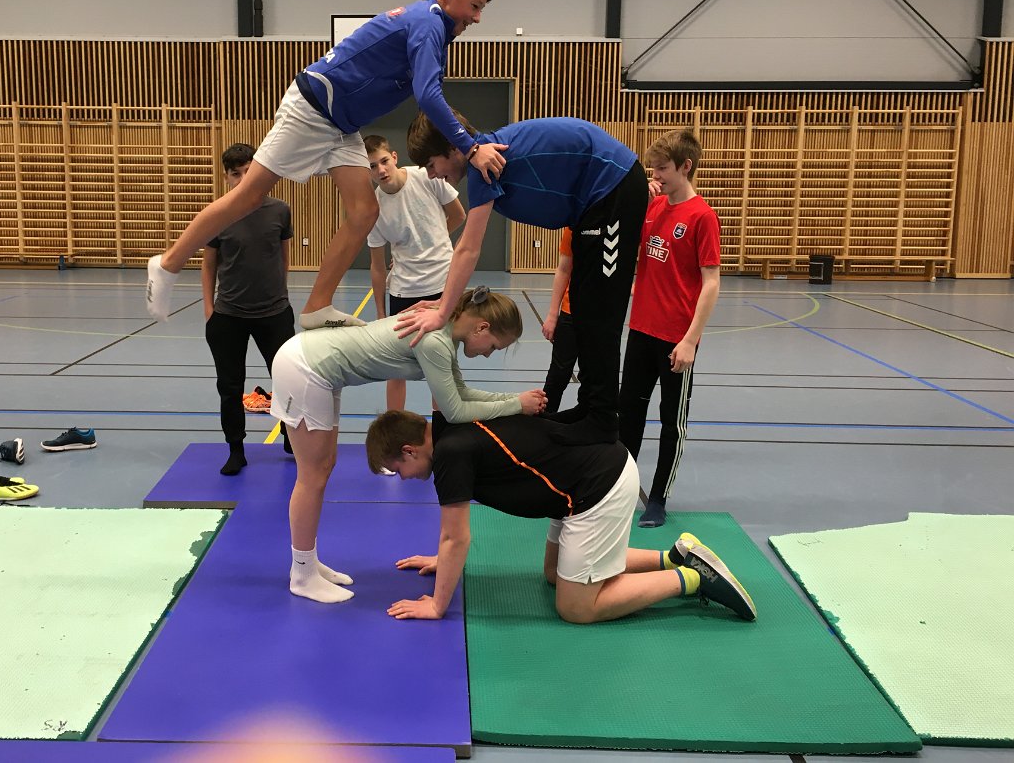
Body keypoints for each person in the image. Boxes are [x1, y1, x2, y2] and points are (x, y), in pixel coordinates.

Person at [145, 0, 506, 327]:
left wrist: (472, 141)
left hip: (341, 124)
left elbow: (430, 98)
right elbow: (428, 96)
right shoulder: (428, 23)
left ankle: (317, 306)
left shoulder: (431, 27)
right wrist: (472, 148)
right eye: (475, 6)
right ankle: (168, 263)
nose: (477, 17)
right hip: (314, 107)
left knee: (365, 211)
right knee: (249, 196)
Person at [268, 288, 548, 604]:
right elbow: (455, 411)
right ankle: (302, 575)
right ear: (481, 327)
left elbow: (460, 392)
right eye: (494, 346)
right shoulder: (435, 341)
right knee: (312, 475)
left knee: (324, 467)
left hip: (317, 366)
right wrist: (515, 405)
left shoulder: (443, 334)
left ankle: (308, 562)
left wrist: (514, 400)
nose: (489, 354)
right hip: (305, 367)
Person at [364, 410, 756, 624]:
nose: (403, 478)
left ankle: (691, 579)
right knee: (555, 575)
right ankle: (674, 557)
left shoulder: (450, 454)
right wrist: (444, 560)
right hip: (579, 482)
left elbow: (457, 538)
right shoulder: (450, 428)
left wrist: (437, 605)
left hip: (597, 486)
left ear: (410, 450)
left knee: (576, 608)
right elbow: (452, 538)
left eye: (397, 469)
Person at [399, 111, 649, 446]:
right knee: (583, 305)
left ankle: (602, 419)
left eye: (431, 164)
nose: (431, 174)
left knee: (599, 311)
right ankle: (591, 408)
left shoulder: (483, 164)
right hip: (592, 204)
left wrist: (443, 311)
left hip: (613, 187)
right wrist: (445, 303)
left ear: (453, 149)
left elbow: (468, 249)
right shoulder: (482, 160)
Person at [619, 130, 721, 528]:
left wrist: (690, 340)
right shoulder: (654, 206)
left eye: (662, 168)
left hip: (676, 338)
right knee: (629, 416)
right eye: (653, 168)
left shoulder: (702, 216)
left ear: (685, 166)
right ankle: (620, 491)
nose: (656, 175)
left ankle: (659, 498)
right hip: (641, 330)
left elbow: (711, 283)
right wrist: (640, 201)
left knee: (670, 422)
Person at [201, 143, 295, 476]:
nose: (242, 179)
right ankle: (236, 449)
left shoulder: (280, 210)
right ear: (226, 177)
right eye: (235, 173)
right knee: (229, 387)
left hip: (274, 313)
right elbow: (208, 264)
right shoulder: (217, 214)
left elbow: (284, 257)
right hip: (229, 315)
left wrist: (280, 295)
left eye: (248, 171)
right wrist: (210, 310)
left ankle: (290, 435)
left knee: (288, 379)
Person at [366, 134, 466, 412]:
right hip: (403, 291)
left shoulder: (427, 176)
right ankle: (394, 428)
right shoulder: (373, 209)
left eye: (384, 161)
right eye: (372, 166)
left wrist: (435, 241)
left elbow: (459, 215)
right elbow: (377, 266)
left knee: (442, 365)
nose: (381, 170)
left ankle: (442, 428)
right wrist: (380, 314)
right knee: (395, 368)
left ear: (394, 157)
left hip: (442, 285)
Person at [541, 227, 578, 414]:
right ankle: (544, 420)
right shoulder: (572, 227)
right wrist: (552, 315)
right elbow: (563, 269)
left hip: (601, 319)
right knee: (558, 373)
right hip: (570, 312)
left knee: (594, 377)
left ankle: (588, 422)